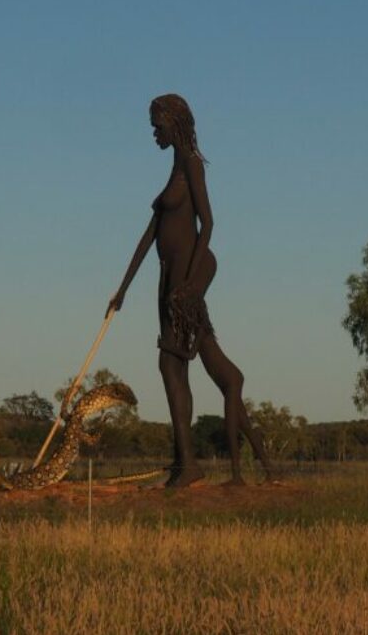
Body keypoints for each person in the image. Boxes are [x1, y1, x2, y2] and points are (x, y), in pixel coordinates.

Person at [109, 93, 274, 487]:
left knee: (172, 363)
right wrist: (123, 288)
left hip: (182, 275)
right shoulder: (173, 167)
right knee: (173, 365)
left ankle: (188, 466)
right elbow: (149, 235)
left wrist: (188, 285)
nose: (153, 131)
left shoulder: (192, 165)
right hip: (166, 276)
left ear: (174, 120)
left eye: (156, 123)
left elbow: (209, 225)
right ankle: (187, 463)